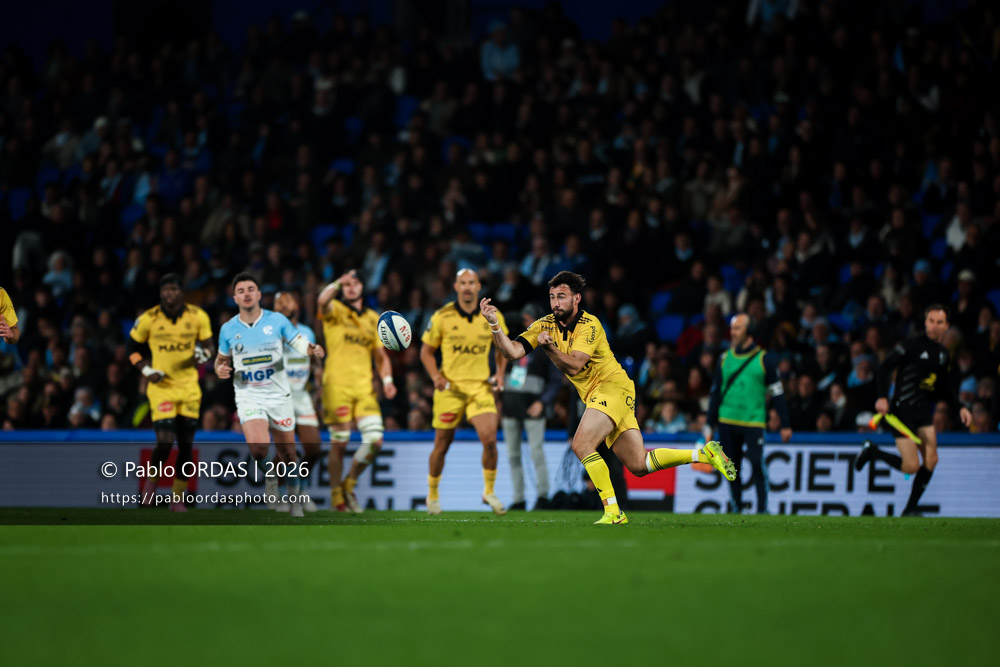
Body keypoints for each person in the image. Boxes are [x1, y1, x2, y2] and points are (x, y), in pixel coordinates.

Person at [484, 271, 736, 525]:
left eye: (562, 296)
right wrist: (495, 324)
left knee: (582, 445)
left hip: (611, 387)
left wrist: (549, 348)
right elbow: (512, 351)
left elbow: (574, 366)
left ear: (577, 298)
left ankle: (613, 511)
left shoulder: (589, 325)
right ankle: (703, 454)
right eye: (552, 297)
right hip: (604, 394)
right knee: (639, 464)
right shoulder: (545, 324)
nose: (556, 303)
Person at [215, 273, 325, 518]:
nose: (246, 293)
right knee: (259, 450)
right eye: (241, 290)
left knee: (300, 451)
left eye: (251, 289)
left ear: (259, 294)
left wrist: (313, 351)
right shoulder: (229, 329)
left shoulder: (281, 324)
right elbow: (220, 360)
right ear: (234, 297)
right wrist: (219, 368)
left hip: (286, 394)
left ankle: (297, 495)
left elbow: (301, 346)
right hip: (250, 395)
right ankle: (273, 478)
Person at [855, 305, 972, 516]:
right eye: (931, 321)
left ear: (946, 326)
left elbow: (944, 386)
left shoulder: (943, 354)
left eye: (939, 322)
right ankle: (873, 451)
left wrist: (960, 407)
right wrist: (882, 396)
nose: (934, 326)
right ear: (925, 322)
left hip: (923, 413)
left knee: (932, 460)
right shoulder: (911, 346)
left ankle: (910, 509)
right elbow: (883, 368)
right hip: (901, 412)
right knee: (911, 466)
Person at [420, 268, 508, 515]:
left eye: (472, 282)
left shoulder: (492, 314)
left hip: (480, 388)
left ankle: (488, 492)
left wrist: (500, 374)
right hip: (450, 389)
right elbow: (425, 351)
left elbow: (504, 347)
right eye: (463, 283)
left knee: (490, 440)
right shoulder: (442, 316)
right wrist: (436, 376)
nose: (468, 287)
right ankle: (433, 495)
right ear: (456, 287)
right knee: (442, 444)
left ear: (479, 286)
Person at [127, 273, 214, 512]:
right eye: (165, 290)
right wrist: (145, 369)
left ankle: (177, 499)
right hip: (162, 388)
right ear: (161, 293)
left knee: (186, 445)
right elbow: (131, 348)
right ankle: (150, 487)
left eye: (174, 289)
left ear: (181, 292)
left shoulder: (197, 316)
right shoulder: (149, 318)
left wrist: (203, 355)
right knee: (165, 444)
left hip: (188, 389)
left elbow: (209, 346)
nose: (169, 294)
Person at [316, 270, 397, 512]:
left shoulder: (374, 318)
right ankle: (336, 498)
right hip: (337, 386)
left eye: (355, 283)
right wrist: (337, 283)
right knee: (339, 444)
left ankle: (348, 484)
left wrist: (387, 380)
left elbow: (381, 356)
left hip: (364, 389)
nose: (351, 287)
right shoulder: (335, 310)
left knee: (376, 440)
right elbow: (321, 301)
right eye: (347, 284)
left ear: (363, 287)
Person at [704, 314, 792, 514]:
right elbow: (715, 392)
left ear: (749, 331)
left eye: (738, 328)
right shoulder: (724, 358)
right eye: (732, 328)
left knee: (756, 463)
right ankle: (737, 507)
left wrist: (785, 424)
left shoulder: (765, 359)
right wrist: (709, 423)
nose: (732, 332)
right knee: (731, 468)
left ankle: (762, 509)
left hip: (753, 421)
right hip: (727, 420)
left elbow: (777, 393)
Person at [501, 303, 563, 510]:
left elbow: (556, 381)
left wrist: (542, 402)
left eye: (529, 319)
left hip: (533, 409)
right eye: (525, 319)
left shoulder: (546, 348)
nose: (525, 323)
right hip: (510, 408)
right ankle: (518, 498)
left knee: (536, 452)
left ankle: (543, 496)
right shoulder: (515, 344)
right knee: (512, 455)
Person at [272, 291, 322, 512]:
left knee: (313, 449)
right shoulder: (273, 333)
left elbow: (313, 359)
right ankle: (280, 491)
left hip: (301, 395)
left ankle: (300, 487)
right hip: (280, 395)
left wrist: (318, 371)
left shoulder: (307, 332)